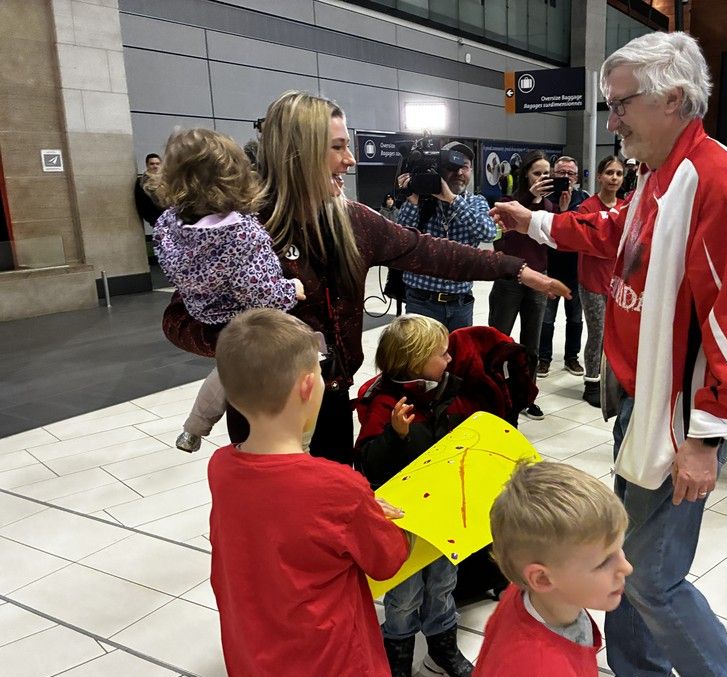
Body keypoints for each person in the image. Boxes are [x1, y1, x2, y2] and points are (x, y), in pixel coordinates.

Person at [491, 31, 727, 677]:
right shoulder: (660, 171)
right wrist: (538, 222)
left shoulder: (714, 180)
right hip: (637, 400)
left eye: (621, 105)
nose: (612, 120)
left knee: (649, 574)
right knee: (618, 546)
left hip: (679, 416)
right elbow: (616, 231)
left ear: (674, 99)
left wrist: (709, 436)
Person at [162, 91, 568, 465]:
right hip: (263, 408)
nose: (351, 160)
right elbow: (178, 318)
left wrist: (516, 268)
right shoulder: (240, 230)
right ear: (298, 153)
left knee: (333, 511)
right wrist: (243, 342)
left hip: (332, 397)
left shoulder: (353, 222)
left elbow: (430, 252)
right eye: (337, 147)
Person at [207, 308, 410, 677]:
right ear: (307, 386)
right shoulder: (338, 487)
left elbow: (277, 517)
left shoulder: (221, 467)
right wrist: (369, 514)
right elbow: (387, 560)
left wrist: (352, 508)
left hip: (257, 659)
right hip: (326, 673)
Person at [454, 461, 631, 677]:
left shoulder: (526, 597)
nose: (626, 567)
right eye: (604, 562)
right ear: (542, 579)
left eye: (619, 550)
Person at [150, 127, 305, 454]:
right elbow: (259, 291)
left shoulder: (169, 224)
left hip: (202, 310)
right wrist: (291, 290)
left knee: (225, 367)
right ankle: (299, 443)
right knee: (291, 357)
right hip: (244, 313)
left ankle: (193, 429)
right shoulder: (240, 234)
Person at [354, 315, 475, 677]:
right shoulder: (385, 404)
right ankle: (398, 655)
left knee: (443, 582)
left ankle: (442, 649)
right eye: (441, 354)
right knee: (404, 593)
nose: (449, 359)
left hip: (440, 513)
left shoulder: (445, 393)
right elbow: (368, 466)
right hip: (403, 520)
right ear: (415, 360)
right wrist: (396, 436)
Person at [489, 150, 560, 421]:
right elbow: (498, 233)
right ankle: (494, 393)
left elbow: (553, 237)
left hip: (537, 279)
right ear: (525, 175)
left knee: (531, 346)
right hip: (509, 279)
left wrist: (551, 204)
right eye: (537, 173)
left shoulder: (549, 207)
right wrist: (530, 198)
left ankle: (526, 397)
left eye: (546, 174)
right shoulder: (509, 202)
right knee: (499, 339)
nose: (542, 178)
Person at [397, 141, 496, 332]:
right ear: (439, 171)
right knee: (421, 360)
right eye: (452, 167)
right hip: (421, 301)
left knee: (459, 359)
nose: (459, 173)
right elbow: (402, 238)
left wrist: (452, 200)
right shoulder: (422, 203)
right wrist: (412, 201)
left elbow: (487, 232)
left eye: (465, 167)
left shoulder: (476, 202)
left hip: (461, 304)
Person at [575, 155, 625, 407]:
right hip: (592, 281)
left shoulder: (626, 207)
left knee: (617, 335)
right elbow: (586, 242)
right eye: (609, 173)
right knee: (598, 333)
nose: (614, 178)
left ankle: (611, 380)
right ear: (599, 176)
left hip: (618, 283)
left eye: (618, 173)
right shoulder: (587, 207)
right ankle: (591, 381)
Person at [538, 156, 588, 378]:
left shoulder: (584, 199)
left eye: (570, 173)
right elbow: (545, 233)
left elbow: (580, 233)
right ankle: (543, 359)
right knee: (546, 318)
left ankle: (571, 358)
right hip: (549, 267)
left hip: (575, 270)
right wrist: (562, 212)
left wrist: (568, 213)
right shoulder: (544, 199)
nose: (566, 177)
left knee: (575, 318)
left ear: (576, 177)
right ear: (553, 174)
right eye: (561, 173)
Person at [133, 152, 165, 227]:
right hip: (157, 220)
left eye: (157, 163)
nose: (155, 166)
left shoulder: (166, 180)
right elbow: (142, 204)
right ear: (147, 165)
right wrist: (153, 220)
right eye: (152, 164)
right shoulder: (142, 183)